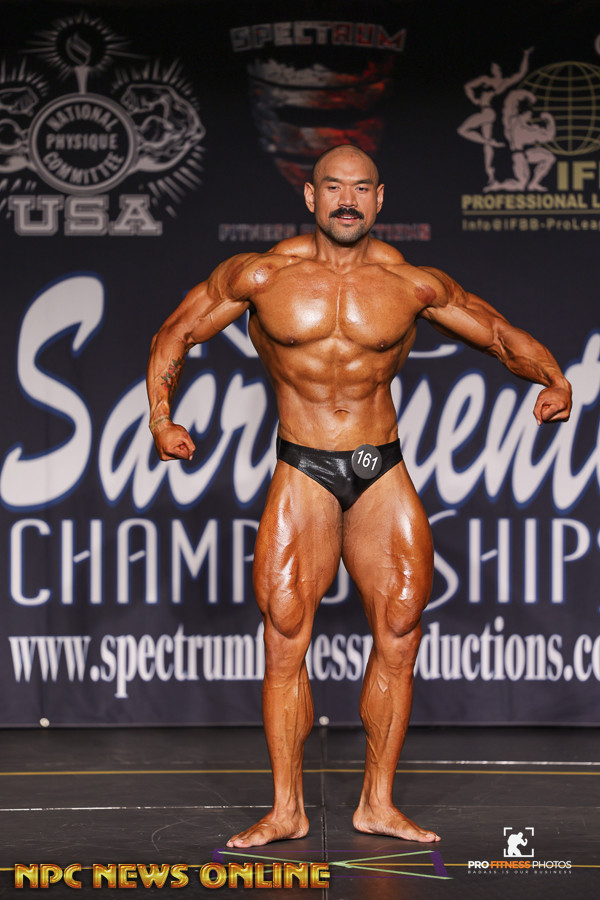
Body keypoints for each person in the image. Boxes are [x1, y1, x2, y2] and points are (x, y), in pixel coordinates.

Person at [146, 144, 572, 848]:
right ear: (310, 197)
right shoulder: (260, 275)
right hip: (304, 466)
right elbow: (177, 332)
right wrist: (161, 419)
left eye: (361, 188)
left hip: (382, 469)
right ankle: (286, 809)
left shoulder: (411, 284)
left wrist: (553, 379)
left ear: (379, 199)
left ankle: (377, 803)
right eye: (334, 187)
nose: (347, 199)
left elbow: (496, 333)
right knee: (285, 636)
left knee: (400, 631)